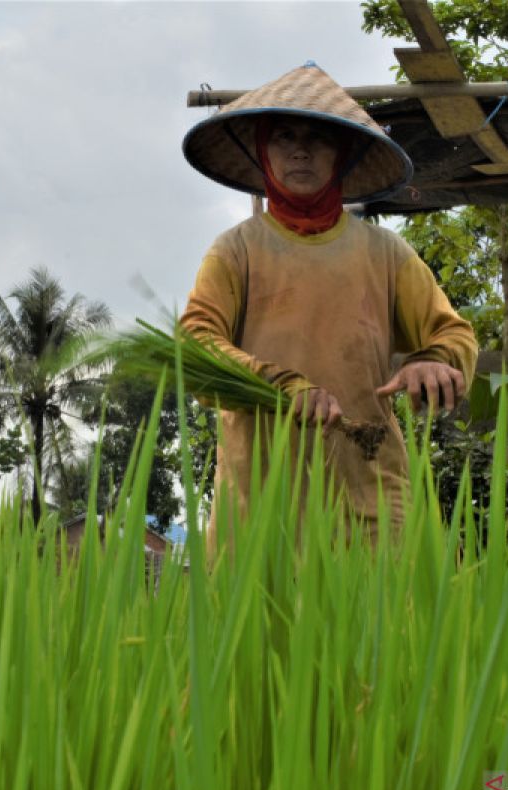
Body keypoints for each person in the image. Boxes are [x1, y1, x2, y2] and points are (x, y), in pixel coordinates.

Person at [178, 63, 478, 552]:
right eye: (284, 137)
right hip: (259, 501)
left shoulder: (385, 253)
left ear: (342, 153)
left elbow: (454, 335)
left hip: (368, 495)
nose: (300, 150)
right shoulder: (236, 251)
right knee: (255, 628)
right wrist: (283, 385)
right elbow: (195, 348)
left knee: (378, 623)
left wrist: (435, 362)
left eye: (318, 138)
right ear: (263, 151)